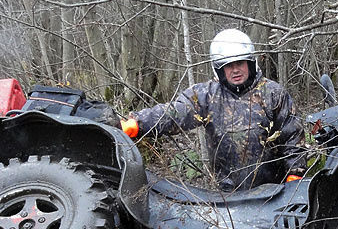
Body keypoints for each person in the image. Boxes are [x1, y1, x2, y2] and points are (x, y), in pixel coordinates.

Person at [122, 28, 306, 191]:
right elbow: (173, 114)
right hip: (225, 193)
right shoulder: (206, 95)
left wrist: (294, 176)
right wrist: (137, 123)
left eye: (240, 63)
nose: (235, 70)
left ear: (250, 63)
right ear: (219, 69)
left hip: (272, 191)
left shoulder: (273, 94)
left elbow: (293, 137)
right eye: (228, 65)